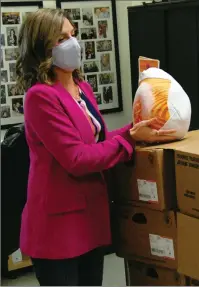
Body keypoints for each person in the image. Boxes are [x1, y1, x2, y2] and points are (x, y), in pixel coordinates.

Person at [15, 8, 175, 286]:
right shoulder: (40, 97)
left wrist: (134, 128)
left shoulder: (81, 88)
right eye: (62, 38)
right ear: (43, 47)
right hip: (58, 228)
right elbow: (76, 158)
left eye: (73, 35)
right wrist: (130, 140)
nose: (73, 43)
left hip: (90, 218)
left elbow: (96, 143)